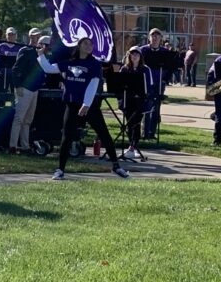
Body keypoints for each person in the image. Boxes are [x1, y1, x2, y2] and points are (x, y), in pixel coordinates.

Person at [37, 35, 131, 180]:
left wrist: (86, 104)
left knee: (104, 134)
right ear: (79, 46)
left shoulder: (94, 64)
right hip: (72, 105)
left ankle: (116, 166)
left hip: (90, 106)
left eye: (90, 44)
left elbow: (93, 85)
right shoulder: (69, 63)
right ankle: (60, 169)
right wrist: (41, 56)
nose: (89, 46)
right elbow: (48, 69)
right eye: (85, 43)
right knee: (66, 137)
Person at [8, 30, 46, 153]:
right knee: (19, 118)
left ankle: (25, 146)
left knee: (27, 121)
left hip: (35, 89)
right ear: (30, 36)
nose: (38, 38)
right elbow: (15, 69)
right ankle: (12, 145)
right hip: (24, 88)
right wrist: (17, 85)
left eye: (39, 36)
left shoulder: (41, 53)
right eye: (36, 36)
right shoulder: (26, 51)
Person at [118, 45, 148, 161]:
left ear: (140, 56)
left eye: (137, 54)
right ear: (129, 56)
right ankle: (131, 145)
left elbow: (148, 87)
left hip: (139, 102)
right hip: (127, 101)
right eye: (132, 54)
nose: (134, 56)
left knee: (136, 123)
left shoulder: (145, 69)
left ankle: (134, 146)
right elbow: (119, 86)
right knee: (129, 124)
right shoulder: (124, 69)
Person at [142, 28, 167, 139]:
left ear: (161, 38)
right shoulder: (143, 50)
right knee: (145, 107)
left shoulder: (165, 52)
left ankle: (152, 133)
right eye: (153, 35)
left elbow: (170, 67)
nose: (155, 37)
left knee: (156, 109)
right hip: (145, 83)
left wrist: (165, 79)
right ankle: (145, 133)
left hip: (159, 83)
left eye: (157, 35)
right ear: (149, 38)